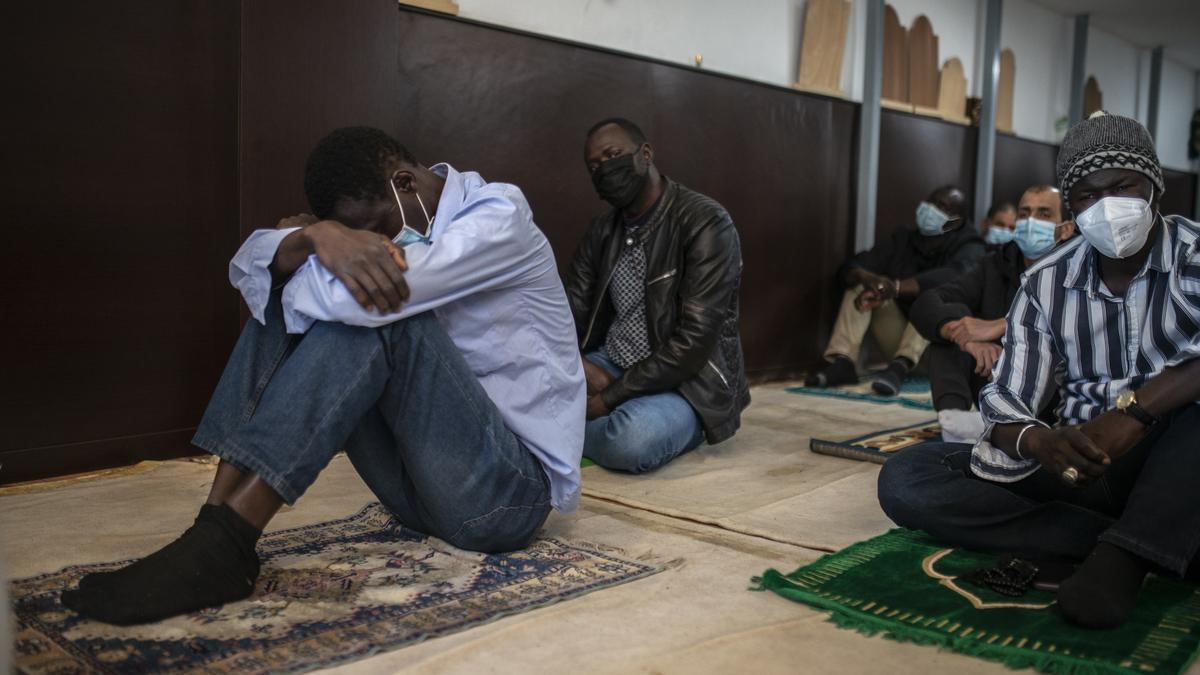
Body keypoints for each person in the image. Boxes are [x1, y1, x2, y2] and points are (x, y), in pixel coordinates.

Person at [61, 126, 586, 625]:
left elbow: (354, 300)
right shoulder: (386, 220)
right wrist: (320, 238)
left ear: (404, 184)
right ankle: (214, 529)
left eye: (375, 228)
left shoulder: (497, 215)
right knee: (286, 291)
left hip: (508, 498)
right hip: (418, 493)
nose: (371, 245)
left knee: (378, 317)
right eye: (356, 236)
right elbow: (250, 264)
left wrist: (315, 245)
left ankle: (226, 540)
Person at [878, 112, 1200, 629]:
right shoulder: (1046, 282)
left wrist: (1134, 414)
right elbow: (1008, 402)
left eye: (1123, 186)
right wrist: (1042, 443)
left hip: (1179, 458)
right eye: (1088, 195)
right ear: (1072, 207)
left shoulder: (1193, 253)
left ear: (1154, 186)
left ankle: (1129, 556)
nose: (1108, 207)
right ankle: (1134, 538)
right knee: (907, 476)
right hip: (1085, 460)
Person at [564, 118, 750, 474]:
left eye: (613, 155)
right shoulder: (603, 231)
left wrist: (606, 401)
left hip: (687, 382)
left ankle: (555, 433)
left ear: (645, 154)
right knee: (520, 396)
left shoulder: (706, 222)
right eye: (594, 166)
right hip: (612, 362)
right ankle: (560, 427)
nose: (604, 169)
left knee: (634, 440)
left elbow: (693, 343)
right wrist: (580, 364)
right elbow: (571, 310)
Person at [909, 185, 1075, 436]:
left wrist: (1003, 324)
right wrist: (965, 339)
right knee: (949, 328)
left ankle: (1009, 423)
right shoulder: (996, 264)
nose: (1030, 222)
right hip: (992, 370)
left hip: (1050, 394)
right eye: (1024, 213)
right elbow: (928, 302)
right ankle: (955, 426)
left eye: (1043, 214)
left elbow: (1075, 323)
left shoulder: (1078, 267)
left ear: (1066, 227)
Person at [807, 186, 985, 396]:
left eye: (942, 207)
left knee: (934, 300)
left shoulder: (971, 246)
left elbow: (955, 276)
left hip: (937, 354)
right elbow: (852, 266)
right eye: (931, 203)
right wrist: (870, 279)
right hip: (897, 342)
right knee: (860, 288)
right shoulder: (904, 239)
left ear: (956, 221)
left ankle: (900, 367)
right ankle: (843, 361)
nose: (931, 210)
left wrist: (897, 288)